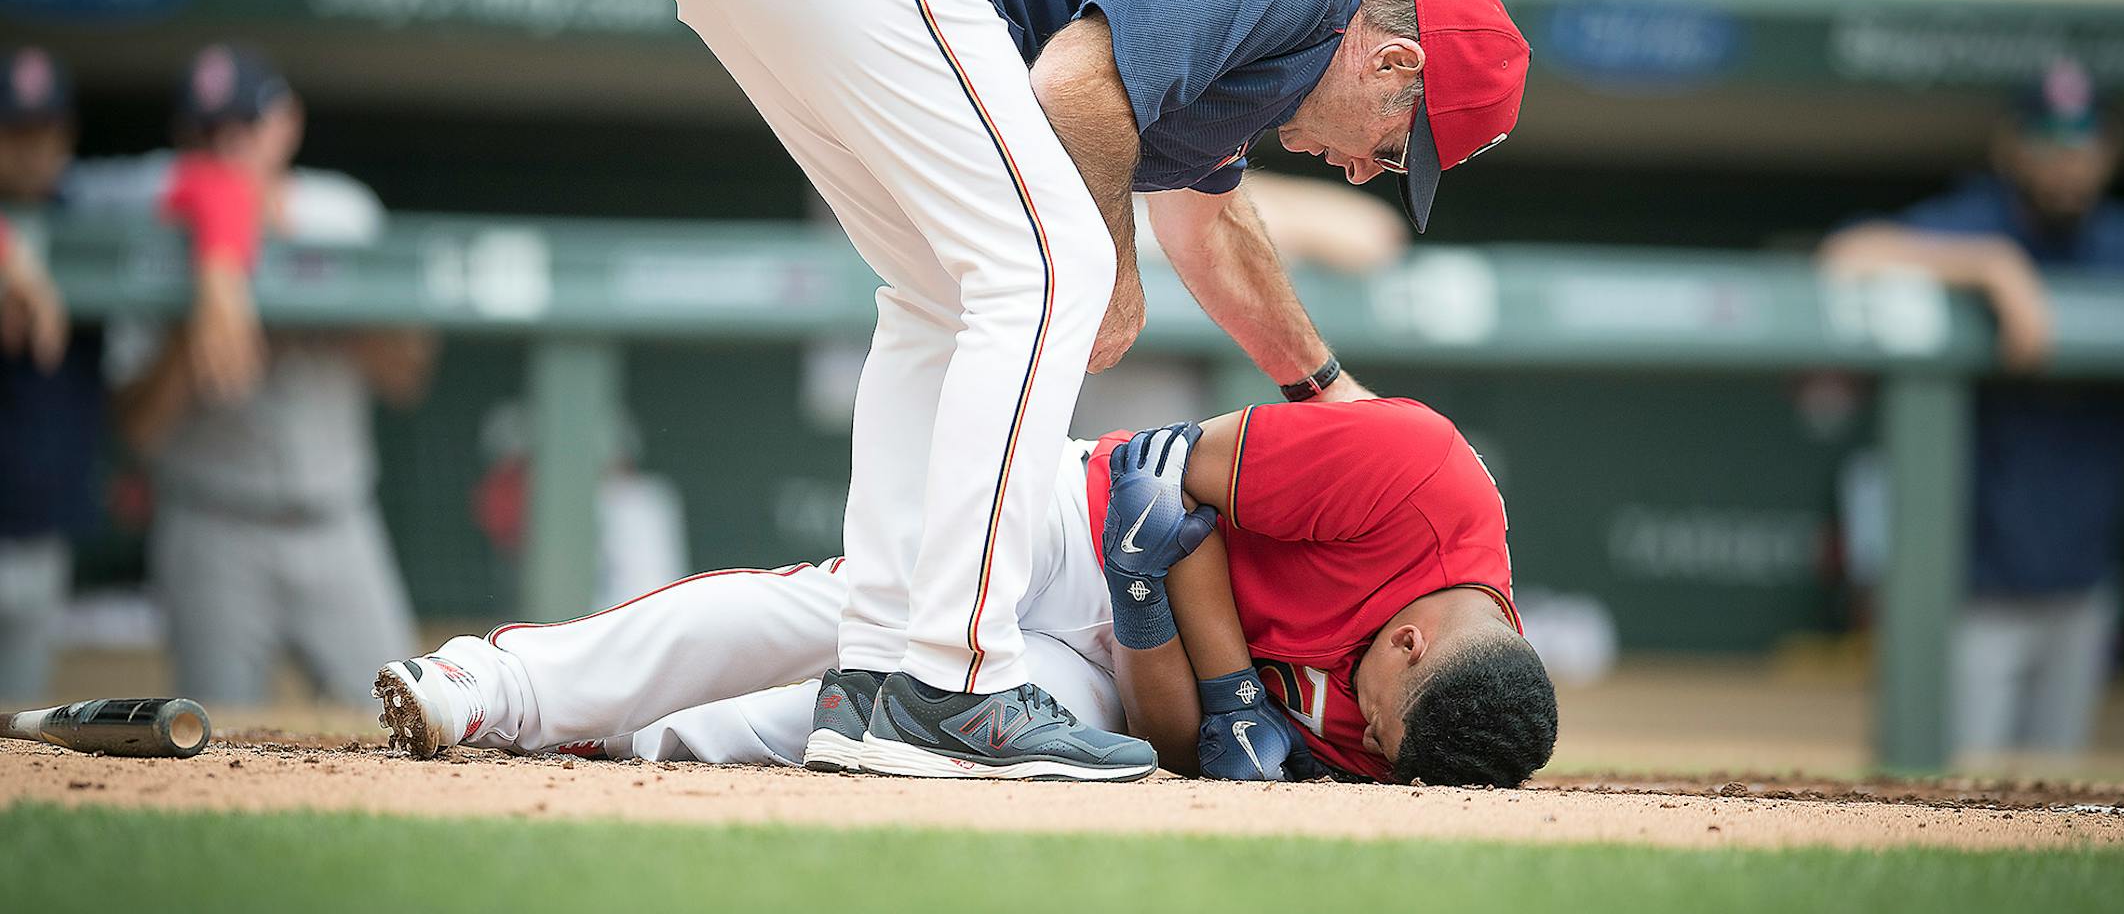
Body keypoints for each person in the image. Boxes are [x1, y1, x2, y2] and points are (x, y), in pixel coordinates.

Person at [658, 0, 1529, 780]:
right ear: (1397, 64)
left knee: (942, 296)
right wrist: (1111, 264)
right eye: (1394, 147)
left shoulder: (1265, 51)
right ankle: (955, 680)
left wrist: (1322, 389)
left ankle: (879, 673)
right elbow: (1075, 86)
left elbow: (1209, 229)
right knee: (1047, 271)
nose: (1365, 170)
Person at [374, 396, 1557, 787]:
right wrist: (1228, 674)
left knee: (878, 718)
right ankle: (498, 682)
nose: (1365, 741)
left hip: (1133, 653)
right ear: (1409, 643)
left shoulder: (1437, 730)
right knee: (851, 618)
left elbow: (1179, 745)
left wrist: (1170, 641)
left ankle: (625, 737)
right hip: (1077, 519)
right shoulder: (1416, 471)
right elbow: (1157, 487)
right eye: (1380, 716)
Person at [1818, 60, 2124, 758]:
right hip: (1971, 591)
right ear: (2012, 145)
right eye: (2049, 140)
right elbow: (1846, 255)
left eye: (2083, 143)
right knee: (1957, 794)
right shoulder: (1977, 222)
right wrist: (1992, 266)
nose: (2067, 161)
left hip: (2085, 587)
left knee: (2052, 805)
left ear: (2110, 151)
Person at [87, 47, 439, 707]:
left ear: (285, 123)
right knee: (212, 741)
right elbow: (135, 428)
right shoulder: (160, 233)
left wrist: (322, 311)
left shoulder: (341, 214)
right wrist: (194, 328)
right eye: (207, 132)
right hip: (212, 525)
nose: (228, 146)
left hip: (339, 523)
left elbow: (409, 376)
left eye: (244, 126)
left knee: (408, 717)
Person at [0, 48, 102, 701]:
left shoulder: (94, 212)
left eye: (49, 132)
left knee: (16, 733)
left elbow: (202, 182)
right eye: (16, 132)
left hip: (43, 531)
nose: (35, 151)